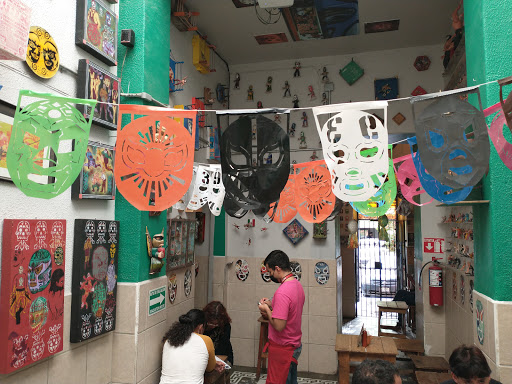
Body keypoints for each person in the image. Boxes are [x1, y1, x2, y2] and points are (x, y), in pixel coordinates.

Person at [258, 250, 305, 384]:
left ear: (277, 269)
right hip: (294, 344)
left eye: (270, 272)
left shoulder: (282, 292)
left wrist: (266, 309)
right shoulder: (297, 285)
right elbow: (291, 310)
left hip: (283, 349)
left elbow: (279, 326)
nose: (270, 275)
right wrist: (272, 303)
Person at [159, 309, 224, 384]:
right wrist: (214, 364)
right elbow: (209, 369)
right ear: (200, 327)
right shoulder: (206, 340)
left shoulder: (169, 340)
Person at [203, 301, 234, 366]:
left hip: (221, 354)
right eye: (211, 323)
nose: (213, 326)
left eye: (216, 324)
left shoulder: (225, 325)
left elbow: (223, 346)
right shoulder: (201, 324)